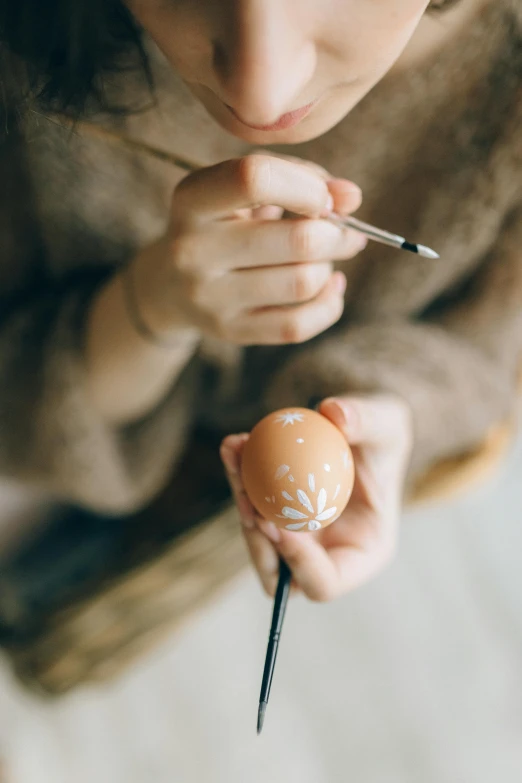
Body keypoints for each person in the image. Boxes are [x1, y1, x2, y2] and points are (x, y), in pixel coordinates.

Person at [0, 0, 520, 601]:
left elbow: (485, 346)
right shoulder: (37, 38)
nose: (261, 93)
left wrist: (390, 410)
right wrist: (152, 304)